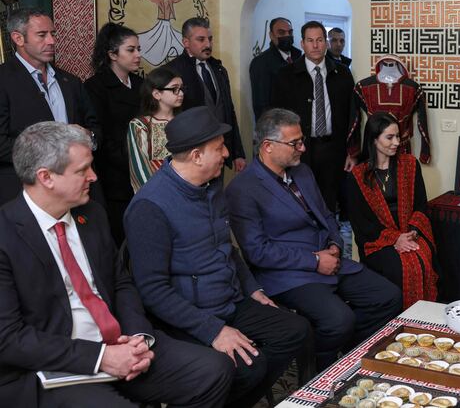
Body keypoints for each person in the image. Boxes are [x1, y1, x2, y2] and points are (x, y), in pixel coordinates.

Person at [0, 121, 233, 407]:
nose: (94, 177)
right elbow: (9, 338)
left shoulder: (92, 215)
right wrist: (101, 357)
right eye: (82, 170)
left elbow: (121, 282)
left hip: (120, 344)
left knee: (213, 370)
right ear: (46, 177)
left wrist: (138, 336)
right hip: (57, 366)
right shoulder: (6, 234)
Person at [124, 106, 310, 407]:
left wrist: (253, 288)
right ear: (197, 156)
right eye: (219, 148)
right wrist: (213, 331)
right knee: (250, 367)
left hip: (229, 299)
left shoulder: (211, 185)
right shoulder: (150, 207)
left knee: (294, 330)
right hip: (190, 314)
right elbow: (153, 291)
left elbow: (227, 248)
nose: (226, 154)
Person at [226, 108, 402, 370]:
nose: (303, 148)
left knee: (388, 296)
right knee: (339, 320)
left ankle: (347, 353)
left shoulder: (303, 173)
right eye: (294, 143)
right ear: (268, 146)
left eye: (302, 140)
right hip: (289, 274)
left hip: (330, 259)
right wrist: (313, 260)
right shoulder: (243, 188)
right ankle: (317, 372)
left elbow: (326, 215)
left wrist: (334, 244)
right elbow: (257, 251)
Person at [0, 7, 101, 205]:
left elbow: (95, 127)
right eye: (42, 35)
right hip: (25, 194)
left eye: (52, 34)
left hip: (78, 193)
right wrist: (54, 153)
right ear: (18, 39)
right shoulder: (3, 81)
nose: (52, 41)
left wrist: (90, 137)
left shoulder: (70, 81)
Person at [346, 112, 437, 309]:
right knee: (400, 266)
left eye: (398, 136)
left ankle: (423, 319)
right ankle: (396, 322)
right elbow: (362, 223)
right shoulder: (357, 176)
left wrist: (412, 231)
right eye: (390, 137)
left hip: (411, 232)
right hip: (377, 241)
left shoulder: (410, 165)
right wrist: (395, 239)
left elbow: (421, 205)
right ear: (374, 138)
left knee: (422, 258)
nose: (396, 142)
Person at [271, 21, 356, 213]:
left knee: (329, 203)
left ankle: (330, 241)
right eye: (310, 41)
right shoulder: (285, 76)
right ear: (302, 44)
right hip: (300, 149)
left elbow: (352, 115)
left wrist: (352, 150)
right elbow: (276, 117)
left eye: (319, 40)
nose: (315, 45)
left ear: (325, 43)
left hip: (334, 148)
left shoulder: (342, 73)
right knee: (301, 202)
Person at [84, 23, 144, 246]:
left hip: (144, 171)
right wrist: (129, 162)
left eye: (138, 49)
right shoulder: (95, 87)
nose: (138, 55)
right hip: (114, 177)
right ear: (112, 54)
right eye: (131, 50)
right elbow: (101, 134)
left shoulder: (140, 84)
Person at [165, 17, 246, 173]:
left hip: (219, 152)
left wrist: (237, 153)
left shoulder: (219, 69)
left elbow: (229, 111)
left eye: (210, 39)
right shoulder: (173, 71)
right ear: (186, 42)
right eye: (201, 40)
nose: (208, 45)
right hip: (192, 155)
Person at [126, 66, 183, 192]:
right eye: (175, 89)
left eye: (181, 89)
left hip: (188, 190)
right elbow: (139, 169)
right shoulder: (140, 125)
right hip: (157, 194)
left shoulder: (185, 121)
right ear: (157, 94)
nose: (181, 93)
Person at [249, 17, 302, 121]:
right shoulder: (261, 62)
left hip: (300, 123)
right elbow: (261, 104)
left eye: (290, 32)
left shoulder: (299, 58)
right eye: (281, 32)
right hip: (278, 126)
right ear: (271, 35)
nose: (287, 36)